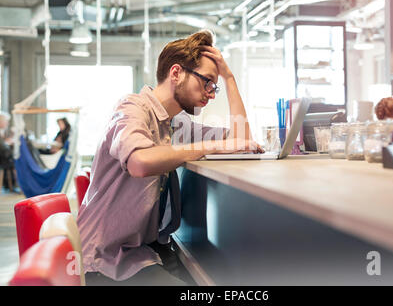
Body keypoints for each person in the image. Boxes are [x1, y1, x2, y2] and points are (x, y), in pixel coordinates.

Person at [77, 30, 263, 286]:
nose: (210, 93)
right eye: (206, 81)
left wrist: (229, 78)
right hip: (106, 260)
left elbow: (241, 142)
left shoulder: (176, 124)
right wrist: (208, 147)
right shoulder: (132, 107)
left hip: (145, 250)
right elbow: (139, 163)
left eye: (214, 86)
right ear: (176, 73)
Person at [0, 111, 17, 192]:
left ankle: (12, 185)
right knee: (18, 161)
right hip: (2, 158)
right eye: (6, 121)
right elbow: (3, 148)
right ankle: (17, 185)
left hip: (4, 156)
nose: (7, 123)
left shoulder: (3, 131)